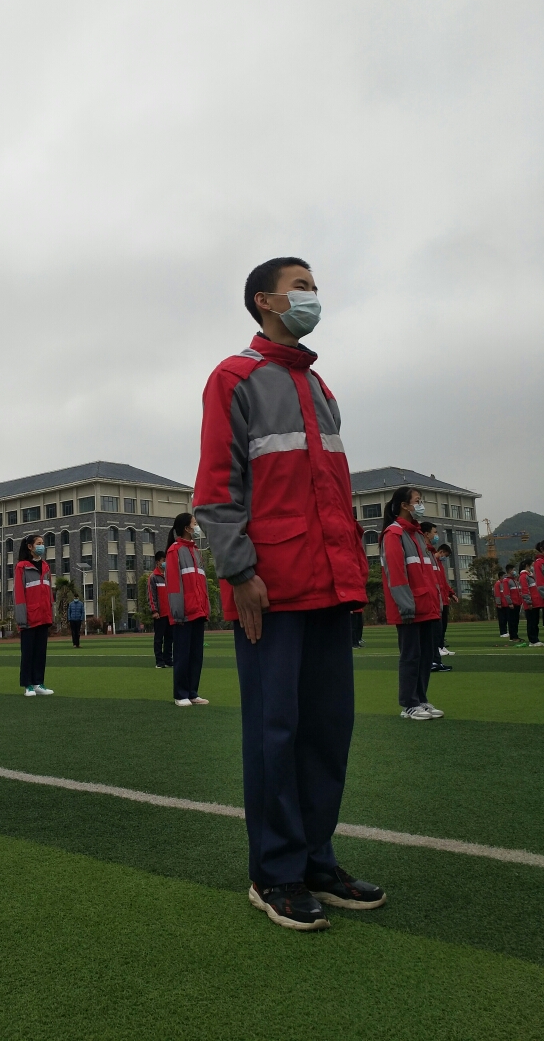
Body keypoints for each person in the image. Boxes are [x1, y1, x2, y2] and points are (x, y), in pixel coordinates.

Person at [194, 256, 384, 931]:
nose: (312, 297)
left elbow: (332, 491)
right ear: (264, 300)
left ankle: (316, 859)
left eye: (313, 286)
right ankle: (274, 874)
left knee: (328, 731)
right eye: (301, 286)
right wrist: (240, 574)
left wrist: (352, 576)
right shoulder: (234, 378)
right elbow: (216, 493)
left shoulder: (319, 386)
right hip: (272, 592)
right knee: (277, 733)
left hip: (330, 587)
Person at [380, 488, 444, 720]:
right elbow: (395, 574)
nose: (421, 504)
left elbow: (428, 573)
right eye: (418, 501)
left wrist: (436, 601)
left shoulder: (417, 535)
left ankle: (421, 699)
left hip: (426, 606)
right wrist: (406, 605)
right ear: (405, 505)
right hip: (410, 608)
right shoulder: (393, 534)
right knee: (411, 655)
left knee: (426, 654)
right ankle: (409, 703)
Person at [165, 514, 210, 705]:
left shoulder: (196, 551)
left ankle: (192, 691)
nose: (197, 527)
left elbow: (202, 583)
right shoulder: (174, 551)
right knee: (183, 654)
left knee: (196, 655)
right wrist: (178, 613)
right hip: (184, 613)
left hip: (198, 611)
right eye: (194, 524)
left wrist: (205, 607)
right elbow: (174, 585)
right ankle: (180, 694)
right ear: (186, 528)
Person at [14, 534, 54, 696]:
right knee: (28, 653)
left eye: (43, 543)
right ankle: (27, 685)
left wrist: (51, 613)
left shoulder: (45, 566)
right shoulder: (21, 567)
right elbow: (19, 594)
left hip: (44, 616)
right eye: (38, 543)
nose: (42, 546)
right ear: (30, 547)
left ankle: (38, 683)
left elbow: (49, 592)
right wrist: (22, 619)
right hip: (29, 618)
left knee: (40, 652)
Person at [419, 522, 457, 670]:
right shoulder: (424, 553)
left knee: (438, 632)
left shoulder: (432, 556)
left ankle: (436, 660)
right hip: (431, 601)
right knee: (433, 633)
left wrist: (450, 594)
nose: (436, 536)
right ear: (426, 534)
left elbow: (440, 581)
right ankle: (432, 661)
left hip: (439, 600)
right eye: (435, 532)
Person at [147, 550, 173, 668]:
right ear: (158, 562)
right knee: (159, 639)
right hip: (160, 614)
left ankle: (168, 659)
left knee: (169, 638)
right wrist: (154, 611)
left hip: (170, 613)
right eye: (163, 560)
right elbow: (151, 595)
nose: (165, 562)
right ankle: (159, 661)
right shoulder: (153, 577)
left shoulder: (169, 576)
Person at [519, 560, 543, 646]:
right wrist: (529, 602)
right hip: (531, 604)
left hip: (536, 603)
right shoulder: (523, 576)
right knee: (532, 622)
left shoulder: (530, 576)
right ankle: (533, 640)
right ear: (527, 565)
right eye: (531, 565)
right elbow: (525, 590)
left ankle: (535, 639)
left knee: (535, 622)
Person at [502, 564, 524, 645]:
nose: (514, 571)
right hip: (512, 604)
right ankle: (513, 636)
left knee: (516, 621)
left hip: (517, 603)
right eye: (513, 570)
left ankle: (515, 635)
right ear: (509, 571)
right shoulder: (506, 581)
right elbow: (506, 593)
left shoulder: (515, 580)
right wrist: (510, 603)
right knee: (512, 621)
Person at [493, 569, 509, 638]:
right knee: (502, 619)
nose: (505, 577)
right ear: (500, 577)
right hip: (501, 605)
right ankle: (502, 632)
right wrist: (499, 603)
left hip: (505, 604)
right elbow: (497, 594)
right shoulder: (498, 584)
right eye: (504, 576)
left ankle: (505, 631)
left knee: (505, 619)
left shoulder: (504, 584)